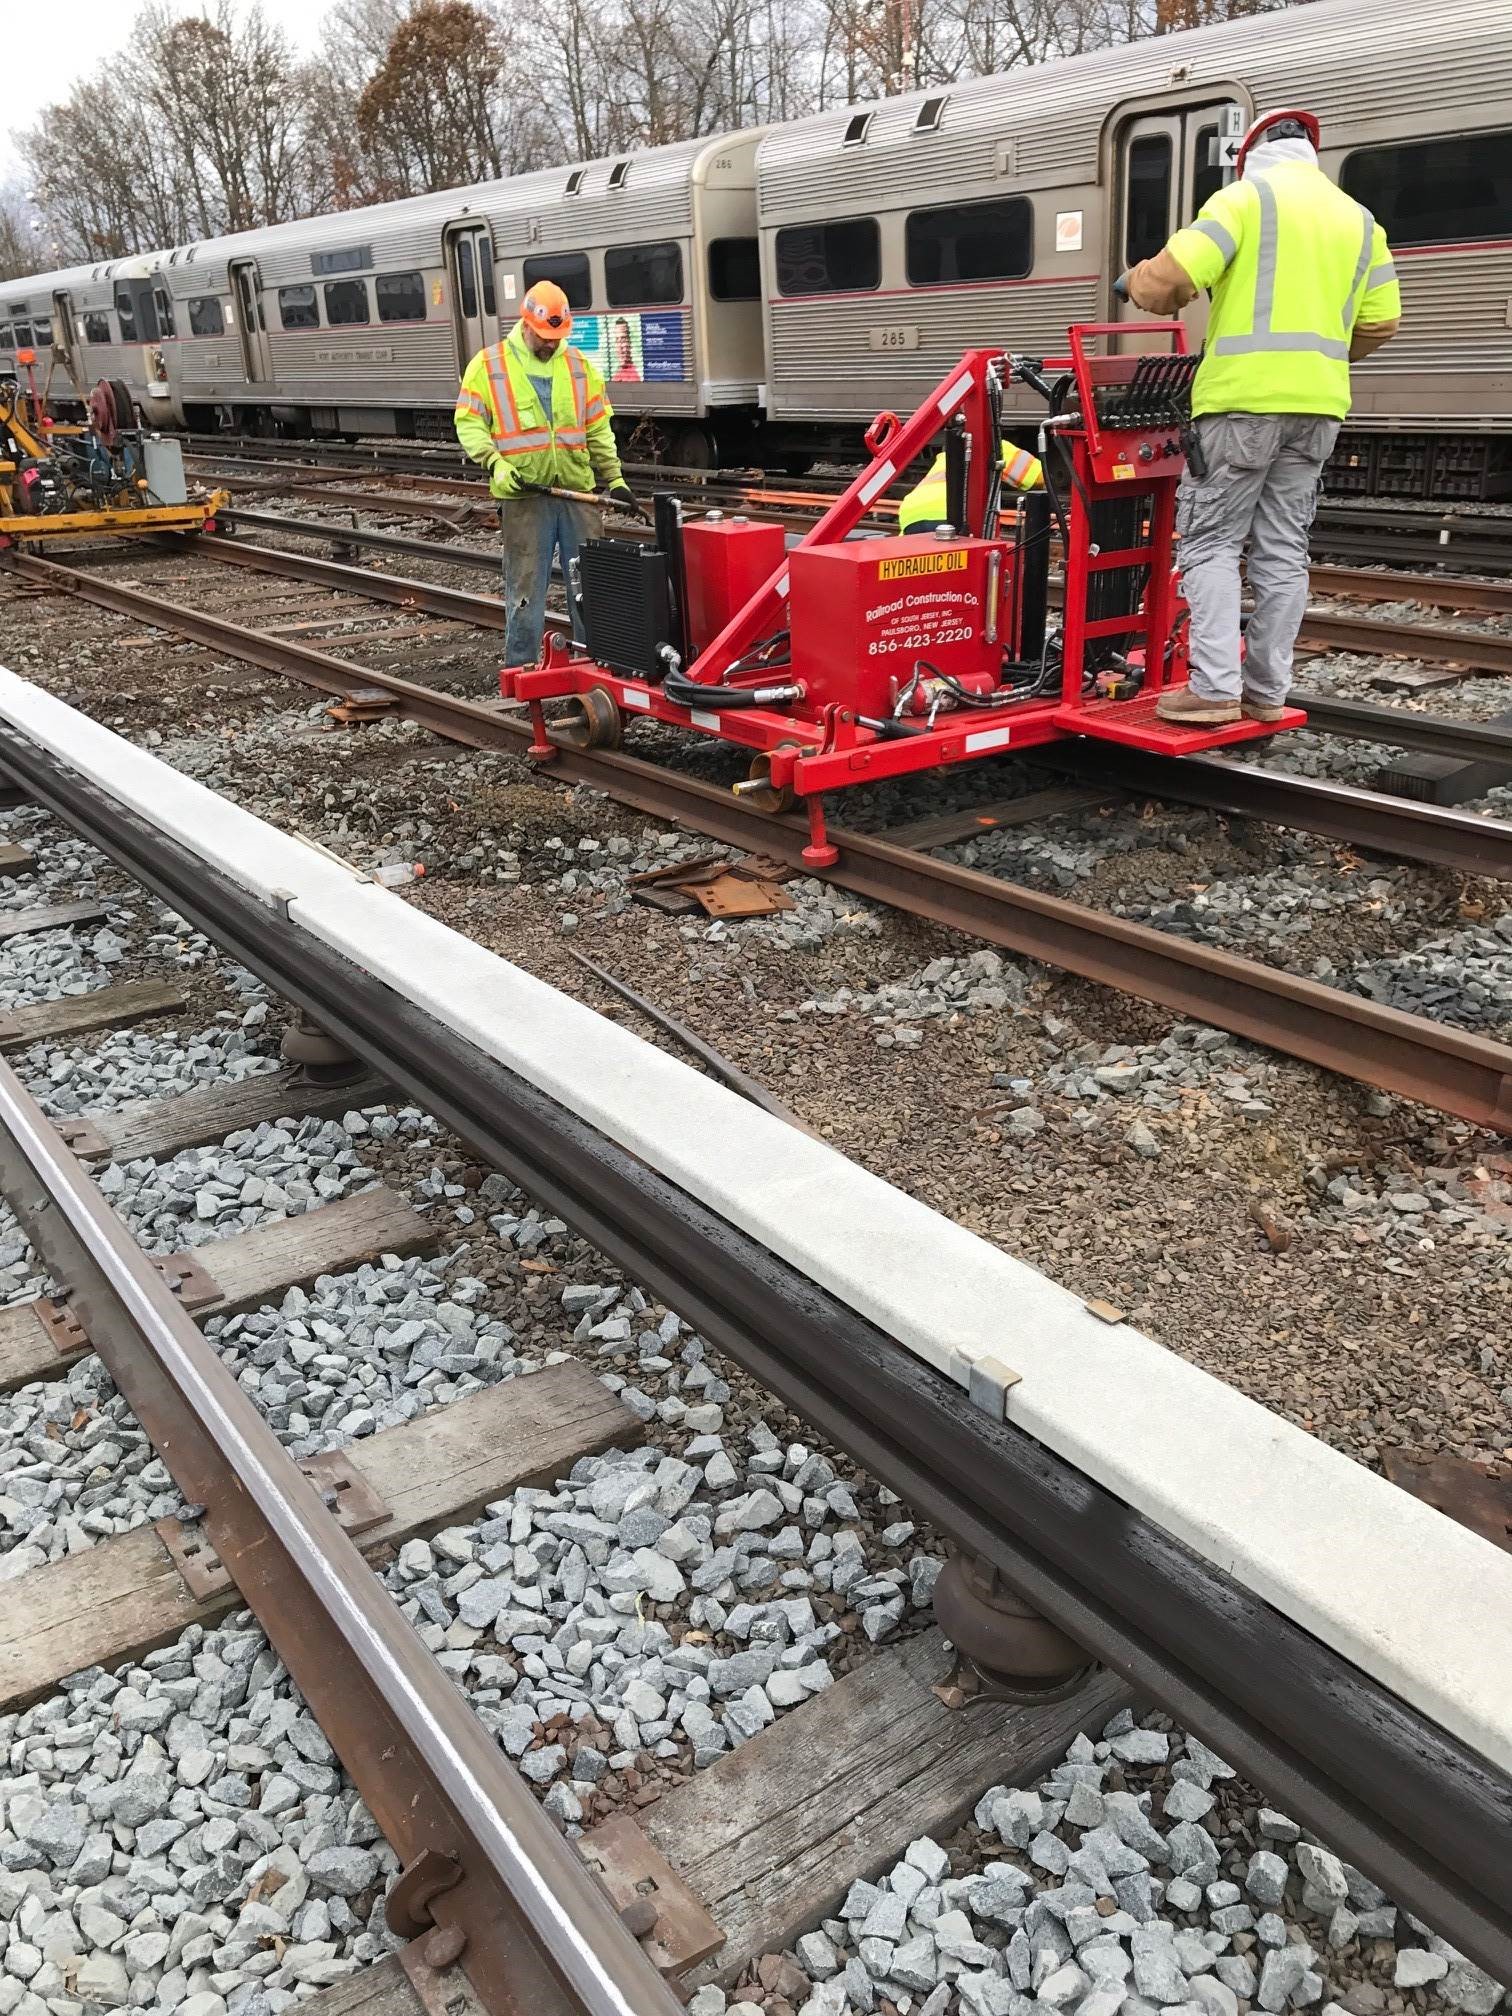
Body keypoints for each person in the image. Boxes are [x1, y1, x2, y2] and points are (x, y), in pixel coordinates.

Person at [1120, 108, 1400, 726]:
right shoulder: (1360, 221)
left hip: (1241, 404)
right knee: (1282, 549)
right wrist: (1316, 358)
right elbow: (1381, 321)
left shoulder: (1243, 201)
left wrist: (1134, 281)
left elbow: (1170, 282)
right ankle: (1267, 692)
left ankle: (1215, 688)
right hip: (1319, 408)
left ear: (1248, 155)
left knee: (1211, 543)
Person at [453, 279, 643, 667]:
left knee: (592, 585)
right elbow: (469, 423)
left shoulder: (579, 367)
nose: (551, 343)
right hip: (525, 498)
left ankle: (597, 665)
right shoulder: (489, 366)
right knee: (526, 589)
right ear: (525, 324)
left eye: (556, 337)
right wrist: (495, 464)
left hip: (578, 495)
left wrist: (617, 480)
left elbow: (597, 430)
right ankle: (521, 669)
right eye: (544, 336)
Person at [897, 439, 1043, 533]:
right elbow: (1039, 477)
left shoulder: (949, 452)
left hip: (911, 514)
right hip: (950, 514)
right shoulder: (994, 445)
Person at [610, 316, 641, 383]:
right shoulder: (618, 374)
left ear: (630, 343)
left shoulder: (634, 378)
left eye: (623, 340)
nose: (620, 346)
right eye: (617, 340)